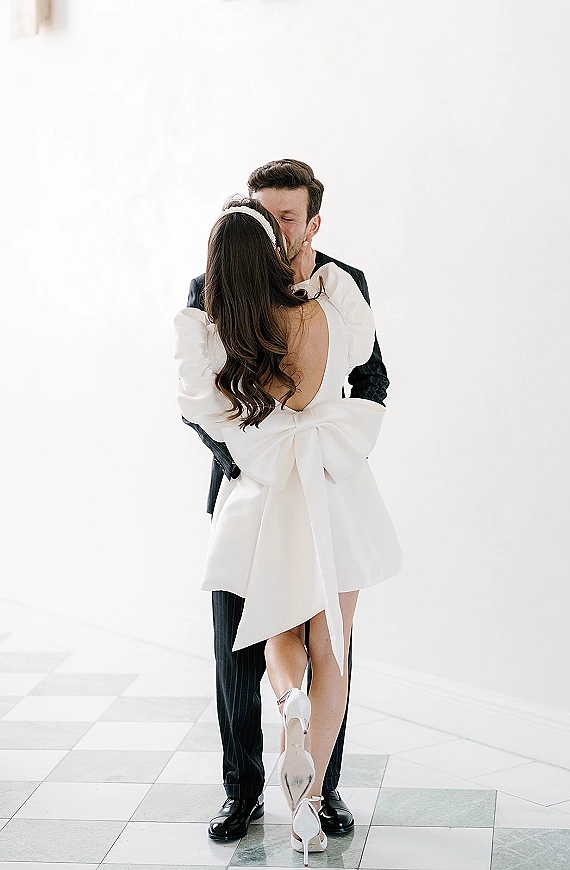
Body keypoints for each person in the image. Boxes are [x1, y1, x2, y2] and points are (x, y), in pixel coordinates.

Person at [176, 194, 403, 861]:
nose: (277, 226)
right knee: (248, 650)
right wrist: (254, 462)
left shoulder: (339, 280)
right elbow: (206, 423)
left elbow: (375, 380)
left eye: (287, 216)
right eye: (264, 214)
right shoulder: (321, 300)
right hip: (262, 487)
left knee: (296, 635)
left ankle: (321, 789)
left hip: (303, 483)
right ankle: (241, 791)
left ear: (312, 222)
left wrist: (309, 453)